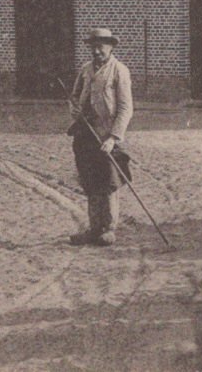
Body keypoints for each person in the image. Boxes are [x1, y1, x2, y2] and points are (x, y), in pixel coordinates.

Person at [67, 27, 133, 246]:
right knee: (90, 181)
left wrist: (113, 137)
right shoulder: (86, 70)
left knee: (108, 181)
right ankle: (94, 228)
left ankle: (108, 228)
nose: (96, 52)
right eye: (93, 47)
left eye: (101, 47)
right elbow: (74, 96)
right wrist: (74, 109)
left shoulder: (119, 71)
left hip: (106, 136)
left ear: (110, 47)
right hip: (85, 134)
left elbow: (126, 108)